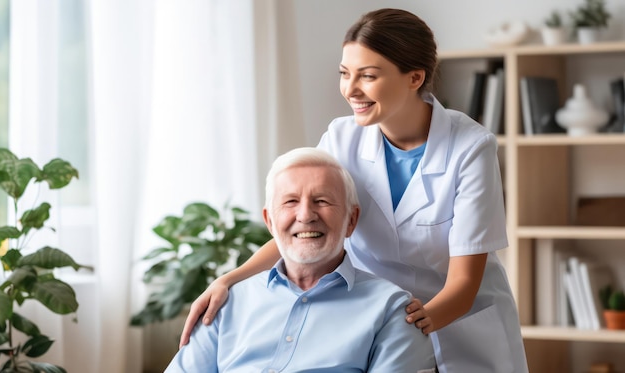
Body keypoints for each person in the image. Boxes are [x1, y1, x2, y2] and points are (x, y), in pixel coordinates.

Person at [180, 8, 528, 373]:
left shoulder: (470, 148)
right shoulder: (341, 137)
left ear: (415, 77)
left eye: (368, 76)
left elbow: (464, 282)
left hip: (457, 325)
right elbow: (303, 229)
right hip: (373, 317)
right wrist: (228, 281)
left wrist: (397, 328)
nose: (350, 89)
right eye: (345, 74)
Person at [165, 147, 436, 373]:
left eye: (322, 201)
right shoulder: (226, 305)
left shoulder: (394, 310)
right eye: (291, 201)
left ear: (351, 220)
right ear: (270, 221)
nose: (305, 215)